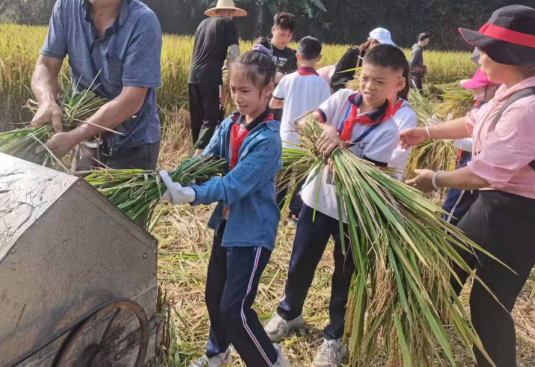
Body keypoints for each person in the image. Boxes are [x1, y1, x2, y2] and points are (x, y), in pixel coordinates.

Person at [402, 5, 535, 367]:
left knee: (489, 309)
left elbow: (482, 173)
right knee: (443, 270)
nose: (477, 55)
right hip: (491, 206)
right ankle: (416, 344)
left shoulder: (530, 108)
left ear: (507, 56)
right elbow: (472, 121)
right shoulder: (509, 91)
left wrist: (434, 179)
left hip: (520, 219)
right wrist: (426, 132)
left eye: (484, 48)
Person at [265, 44, 408, 367]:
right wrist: (326, 128)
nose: (369, 87)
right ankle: (289, 313)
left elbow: (361, 176)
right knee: (300, 262)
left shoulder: (391, 127)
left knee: (345, 275)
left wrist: (336, 146)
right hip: (316, 200)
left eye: (379, 82)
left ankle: (335, 338)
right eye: (366, 78)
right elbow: (307, 122)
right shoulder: (343, 99)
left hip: (354, 214)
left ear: (398, 84)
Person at [160, 46, 290, 367]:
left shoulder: (267, 140)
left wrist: (190, 194)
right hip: (227, 226)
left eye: (245, 91)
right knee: (214, 297)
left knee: (236, 309)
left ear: (268, 90)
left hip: (252, 232)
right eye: (233, 90)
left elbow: (233, 186)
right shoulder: (232, 123)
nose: (238, 98)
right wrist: (183, 171)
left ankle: (269, 361)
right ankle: (217, 353)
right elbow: (210, 156)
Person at [30, 0, 162, 225]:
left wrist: (74, 136)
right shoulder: (66, 7)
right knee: (82, 222)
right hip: (86, 140)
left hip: (132, 143)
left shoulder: (143, 23)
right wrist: (47, 100)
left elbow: (131, 100)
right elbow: (45, 66)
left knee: (122, 230)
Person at [269, 36, 331, 224]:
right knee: (303, 180)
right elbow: (327, 112)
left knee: (280, 179)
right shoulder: (322, 84)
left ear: (297, 56)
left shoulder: (288, 79)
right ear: (318, 58)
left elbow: (273, 102)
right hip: (308, 141)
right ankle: (296, 214)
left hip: (286, 138)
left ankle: (272, 213)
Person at [442, 69, 500, 224]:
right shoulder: (483, 105)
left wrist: (454, 139)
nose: (474, 93)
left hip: (472, 168)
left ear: (493, 88)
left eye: (477, 88)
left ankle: (444, 237)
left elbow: (485, 145)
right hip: (465, 163)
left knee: (454, 208)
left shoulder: (499, 113)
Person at [189, 0, 246, 154]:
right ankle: (197, 161)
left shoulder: (202, 24)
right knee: (212, 119)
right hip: (211, 77)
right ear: (230, 11)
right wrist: (235, 73)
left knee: (198, 119)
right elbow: (234, 53)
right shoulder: (228, 24)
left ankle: (194, 153)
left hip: (193, 76)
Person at [330, 27, 397, 93]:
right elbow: (337, 78)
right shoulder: (352, 54)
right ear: (373, 42)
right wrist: (351, 87)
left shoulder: (381, 61)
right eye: (382, 46)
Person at [267, 13, 297, 122]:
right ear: (273, 30)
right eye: (282, 34)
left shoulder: (292, 55)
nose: (285, 39)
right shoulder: (262, 49)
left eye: (289, 36)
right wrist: (272, 76)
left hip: (280, 106)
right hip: (261, 103)